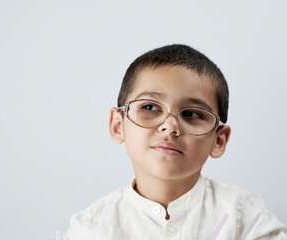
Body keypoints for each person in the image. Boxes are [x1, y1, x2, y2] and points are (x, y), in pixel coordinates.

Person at [63, 44, 287, 239]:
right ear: (117, 125)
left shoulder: (244, 217)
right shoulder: (90, 229)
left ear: (218, 140)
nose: (170, 126)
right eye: (149, 107)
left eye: (191, 114)